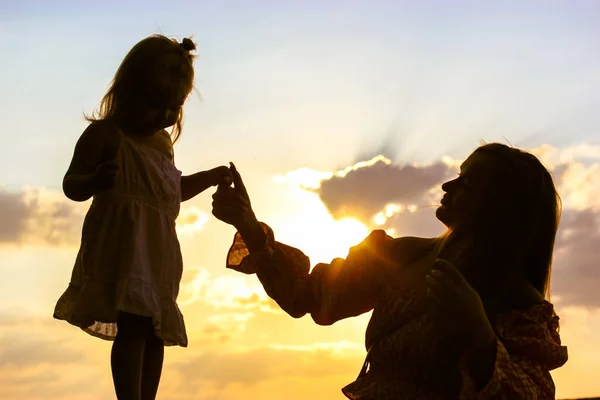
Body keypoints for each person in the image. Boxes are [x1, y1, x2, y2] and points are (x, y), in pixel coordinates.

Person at [212, 143, 569, 399]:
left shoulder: (522, 303)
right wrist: (250, 225)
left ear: (498, 206)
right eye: (457, 176)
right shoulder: (398, 254)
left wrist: (480, 335)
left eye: (467, 183)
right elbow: (310, 295)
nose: (448, 186)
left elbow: (533, 394)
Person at [53, 35, 232, 400]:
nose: (165, 117)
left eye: (173, 109)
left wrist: (212, 176)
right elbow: (72, 184)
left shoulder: (162, 145)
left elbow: (170, 191)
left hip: (156, 252)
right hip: (122, 245)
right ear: (129, 90)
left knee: (154, 330)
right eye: (156, 105)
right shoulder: (105, 134)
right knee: (134, 324)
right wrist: (96, 179)